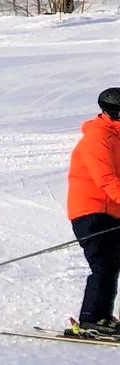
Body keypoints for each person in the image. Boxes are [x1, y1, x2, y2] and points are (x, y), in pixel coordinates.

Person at [65, 87, 120, 338]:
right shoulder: (97, 138)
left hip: (112, 210)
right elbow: (106, 180)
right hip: (92, 210)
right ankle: (92, 318)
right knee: (103, 263)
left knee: (112, 263)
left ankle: (102, 316)